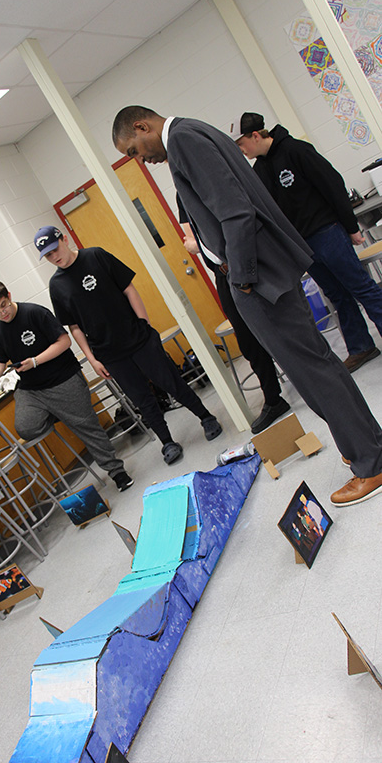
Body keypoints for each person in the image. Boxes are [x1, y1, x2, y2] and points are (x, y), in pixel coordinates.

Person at [111, 105, 382, 506]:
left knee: (312, 371)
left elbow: (236, 212)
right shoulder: (196, 129)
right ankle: (367, 443)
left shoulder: (183, 140)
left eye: (134, 149)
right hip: (265, 269)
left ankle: (370, 463)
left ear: (141, 126)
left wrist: (240, 276)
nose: (140, 160)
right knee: (317, 363)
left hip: (257, 276)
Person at [35, 225, 222, 466]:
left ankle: (206, 417)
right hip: (109, 352)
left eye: (55, 249)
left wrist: (144, 324)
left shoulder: (96, 256)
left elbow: (128, 289)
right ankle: (167, 442)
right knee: (141, 398)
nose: (54, 257)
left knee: (170, 381)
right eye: (48, 256)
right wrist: (92, 359)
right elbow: (74, 327)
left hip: (138, 337)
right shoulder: (56, 285)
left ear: (65, 239)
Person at [231, 112, 382, 373]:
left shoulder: (296, 150)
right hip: (303, 246)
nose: (242, 151)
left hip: (327, 231)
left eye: (242, 144)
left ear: (255, 136)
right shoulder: (259, 171)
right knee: (337, 295)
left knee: (360, 286)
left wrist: (350, 226)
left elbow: (332, 184)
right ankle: (361, 347)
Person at [0, 279, 133, 492]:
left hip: (63, 379)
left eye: (4, 306)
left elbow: (64, 342)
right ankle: (61, 412)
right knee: (26, 427)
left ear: (9, 295)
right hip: (32, 390)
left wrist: (35, 361)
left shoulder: (35, 313)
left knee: (88, 428)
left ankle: (117, 473)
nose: (3, 313)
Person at [177, 193, 289, 434]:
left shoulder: (209, 180)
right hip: (223, 274)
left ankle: (308, 377)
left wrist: (198, 243)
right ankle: (274, 398)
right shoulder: (182, 195)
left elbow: (201, 239)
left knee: (281, 322)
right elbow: (190, 238)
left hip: (249, 262)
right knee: (248, 342)